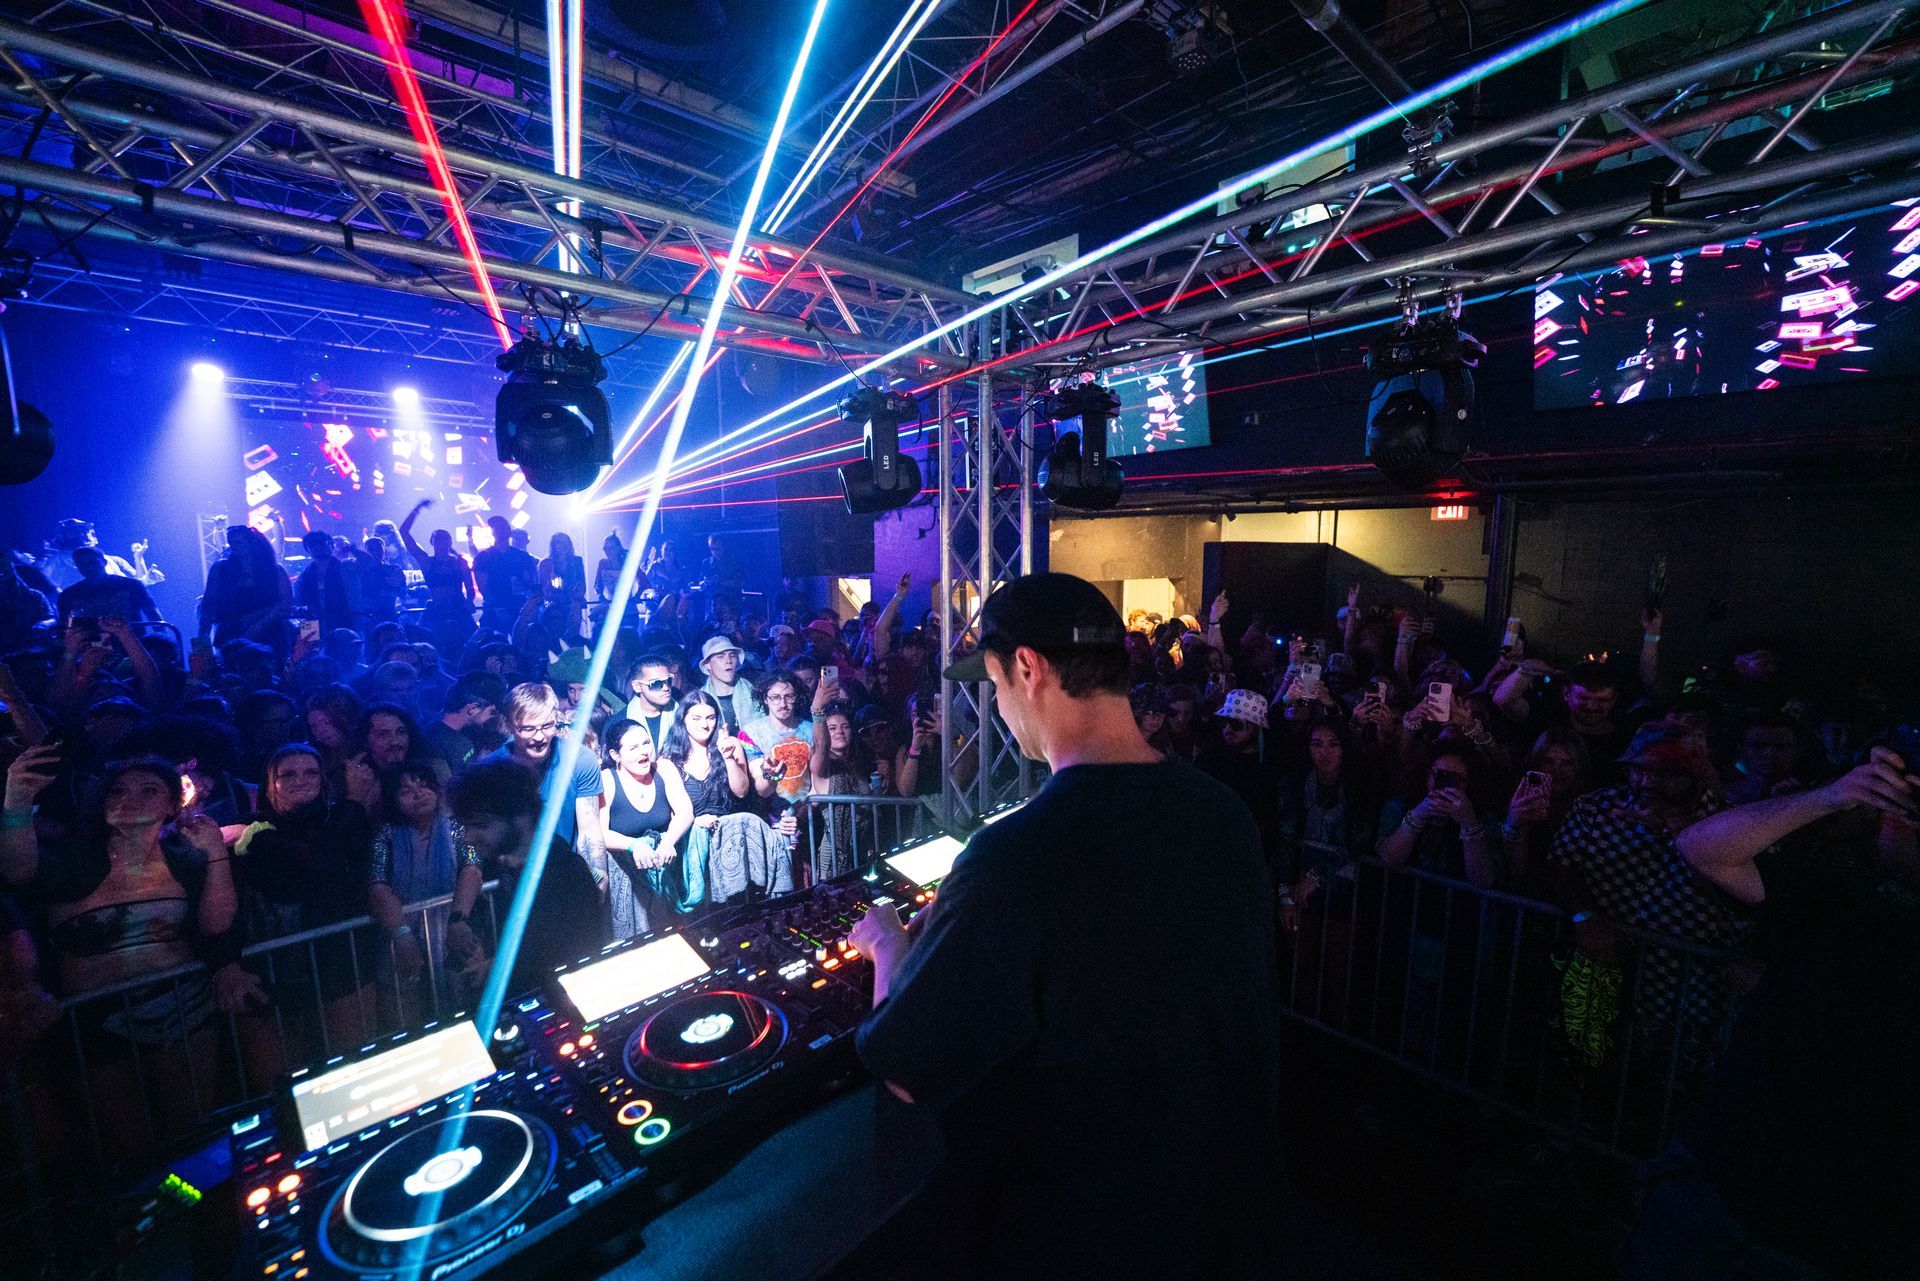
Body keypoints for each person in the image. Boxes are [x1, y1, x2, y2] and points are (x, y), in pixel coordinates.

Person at [849, 573, 1281, 1279]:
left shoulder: (1013, 857)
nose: (998, 705)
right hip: (1228, 1216)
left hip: (1088, 1234)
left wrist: (891, 945)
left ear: (1028, 667)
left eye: (993, 683)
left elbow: (904, 1068)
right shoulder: (1223, 815)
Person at [1620, 748, 1919, 1281]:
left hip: (1846, 1240)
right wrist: (1831, 795)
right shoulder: (1846, 905)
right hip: (1722, 1189)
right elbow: (1706, 848)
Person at [448, 761, 608, 993]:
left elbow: (564, 958)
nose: (468, 837)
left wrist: (499, 969)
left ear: (520, 818)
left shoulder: (563, 871)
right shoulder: (511, 866)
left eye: (480, 825)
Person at [367, 763, 484, 1009]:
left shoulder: (456, 826)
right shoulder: (386, 834)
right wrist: (402, 935)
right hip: (399, 933)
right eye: (406, 791)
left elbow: (471, 868)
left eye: (423, 784)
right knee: (406, 1014)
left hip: (454, 931)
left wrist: (458, 920)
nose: (418, 793)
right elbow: (378, 886)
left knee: (464, 1004)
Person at [483, 682, 606, 889]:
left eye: (547, 726)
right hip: (514, 883)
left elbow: (589, 830)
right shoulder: (491, 771)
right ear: (510, 725)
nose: (539, 737)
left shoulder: (580, 759)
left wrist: (599, 878)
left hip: (570, 876)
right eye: (528, 729)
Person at [598, 718, 694, 938]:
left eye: (645, 743)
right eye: (633, 748)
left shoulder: (664, 768)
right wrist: (633, 845)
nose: (644, 752)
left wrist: (669, 840)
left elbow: (685, 812)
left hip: (666, 870)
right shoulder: (607, 779)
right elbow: (600, 833)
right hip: (629, 877)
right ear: (615, 755)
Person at [398, 499, 475, 652]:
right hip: (437, 610)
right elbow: (404, 533)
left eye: (444, 538)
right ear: (432, 543)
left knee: (473, 642)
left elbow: (470, 586)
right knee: (424, 644)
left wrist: (469, 601)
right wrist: (417, 509)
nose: (441, 542)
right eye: (438, 539)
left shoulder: (459, 562)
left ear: (450, 542)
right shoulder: (427, 562)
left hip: (458, 608)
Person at [198, 524, 291, 646]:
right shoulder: (220, 569)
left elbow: (285, 604)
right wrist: (203, 633)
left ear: (252, 543)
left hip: (270, 634)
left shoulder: (275, 570)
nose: (234, 547)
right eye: (231, 543)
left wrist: (258, 620)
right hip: (231, 632)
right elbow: (210, 601)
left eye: (238, 543)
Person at [56, 547, 161, 630]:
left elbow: (153, 615)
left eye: (93, 562)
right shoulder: (69, 595)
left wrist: (163, 643)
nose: (89, 568)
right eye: (82, 564)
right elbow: (64, 627)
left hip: (134, 645)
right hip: (91, 649)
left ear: (104, 562)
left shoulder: (132, 585)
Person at [424, 672, 503, 776]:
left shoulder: (465, 732)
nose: (494, 717)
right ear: (472, 709)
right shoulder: (435, 744)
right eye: (492, 712)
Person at [471, 515, 538, 631]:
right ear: (492, 532)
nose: (500, 530)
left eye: (503, 527)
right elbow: (484, 588)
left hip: (519, 608)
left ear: (509, 531)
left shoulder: (522, 556)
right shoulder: (483, 557)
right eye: (496, 527)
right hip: (494, 610)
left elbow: (529, 583)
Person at [697, 634, 760, 735]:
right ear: (707, 664)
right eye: (720, 656)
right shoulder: (700, 700)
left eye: (732, 655)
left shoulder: (754, 692)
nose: (728, 661)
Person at [619, 651, 680, 749]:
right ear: (637, 686)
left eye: (668, 681)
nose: (665, 687)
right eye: (656, 684)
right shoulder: (620, 722)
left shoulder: (683, 715)